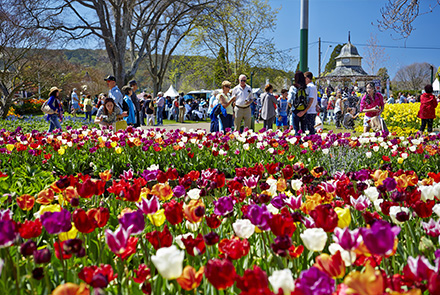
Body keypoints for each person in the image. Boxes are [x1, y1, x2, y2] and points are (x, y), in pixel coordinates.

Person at [288, 71, 309, 135]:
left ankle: (297, 142)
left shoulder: (293, 87)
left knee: (296, 129)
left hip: (295, 110)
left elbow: (289, 100)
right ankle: (303, 142)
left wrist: (292, 108)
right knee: (303, 130)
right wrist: (304, 111)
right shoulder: (306, 88)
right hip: (304, 110)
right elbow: (308, 100)